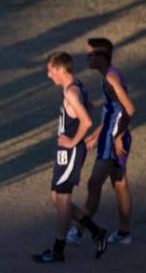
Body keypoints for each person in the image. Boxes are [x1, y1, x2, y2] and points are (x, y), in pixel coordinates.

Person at [33, 52, 107, 262]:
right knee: (56, 199)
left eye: (51, 70)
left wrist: (74, 142)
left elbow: (87, 120)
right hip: (66, 152)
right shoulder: (76, 86)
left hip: (70, 152)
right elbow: (90, 108)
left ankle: (58, 250)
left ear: (62, 70)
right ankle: (97, 232)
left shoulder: (71, 93)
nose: (49, 75)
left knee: (63, 200)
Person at [67, 38, 135, 244]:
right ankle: (124, 233)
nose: (87, 58)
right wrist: (97, 134)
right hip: (110, 136)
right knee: (120, 183)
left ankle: (79, 229)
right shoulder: (109, 75)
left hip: (113, 140)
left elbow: (130, 109)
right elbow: (114, 111)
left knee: (94, 183)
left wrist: (117, 136)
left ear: (101, 57)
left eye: (90, 55)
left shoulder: (111, 78)